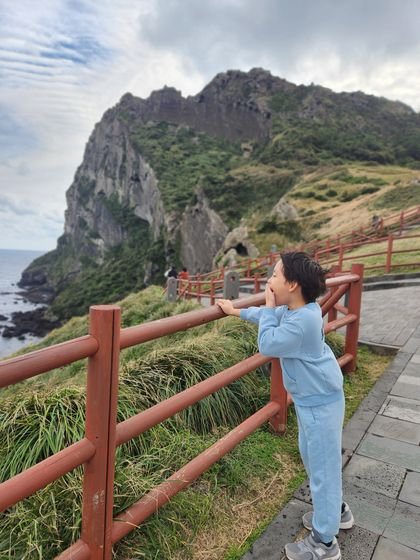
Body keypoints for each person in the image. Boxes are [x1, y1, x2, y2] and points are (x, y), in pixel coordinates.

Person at [217, 251, 354, 560]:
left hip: (320, 404)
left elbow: (268, 344)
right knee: (316, 459)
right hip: (314, 400)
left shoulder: (303, 320)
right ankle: (335, 513)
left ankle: (325, 542)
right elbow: (269, 318)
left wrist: (265, 305)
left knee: (322, 466)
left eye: (275, 275)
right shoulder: (300, 309)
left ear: (292, 284)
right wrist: (235, 311)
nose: (269, 281)